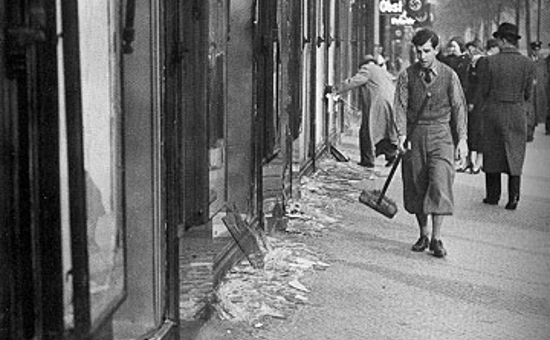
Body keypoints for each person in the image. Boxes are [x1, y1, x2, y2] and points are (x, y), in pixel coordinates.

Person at [393, 29, 468, 258]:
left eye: (427, 51)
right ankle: (423, 234)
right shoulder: (407, 76)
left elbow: (459, 108)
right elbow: (400, 107)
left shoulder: (449, 75)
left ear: (436, 50)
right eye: (418, 52)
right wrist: (401, 135)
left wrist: (462, 139)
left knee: (440, 183)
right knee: (417, 184)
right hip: (415, 135)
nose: (422, 56)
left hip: (441, 135)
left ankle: (436, 238)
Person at [477, 23, 535, 210]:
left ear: (502, 40)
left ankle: (493, 195)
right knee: (514, 154)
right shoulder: (528, 63)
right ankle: (514, 197)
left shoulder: (489, 62)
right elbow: (528, 93)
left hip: (494, 111)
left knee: (493, 153)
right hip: (517, 112)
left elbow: (483, 90)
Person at [330, 55, 398, 168]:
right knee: (384, 131)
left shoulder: (367, 69)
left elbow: (354, 82)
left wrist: (334, 89)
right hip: (390, 103)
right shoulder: (381, 70)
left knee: (367, 131)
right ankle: (391, 155)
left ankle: (368, 161)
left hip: (378, 104)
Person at [440, 36, 471, 172]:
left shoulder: (466, 62)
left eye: (454, 47)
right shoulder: (449, 60)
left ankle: (462, 157)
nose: (452, 49)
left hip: (462, 97)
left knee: (461, 127)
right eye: (450, 47)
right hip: (448, 98)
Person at [462, 40, 486, 174]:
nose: (469, 52)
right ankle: (470, 160)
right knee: (471, 130)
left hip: (478, 103)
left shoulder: (481, 62)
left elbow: (480, 85)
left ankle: (478, 161)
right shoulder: (471, 63)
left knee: (478, 131)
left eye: (471, 50)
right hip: (471, 101)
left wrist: (473, 101)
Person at [527, 41, 548, 141]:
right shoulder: (527, 60)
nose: (536, 51)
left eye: (538, 49)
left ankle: (534, 128)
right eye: (534, 49)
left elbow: (545, 75)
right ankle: (529, 132)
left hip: (539, 91)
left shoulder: (542, 61)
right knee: (530, 110)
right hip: (530, 90)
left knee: (537, 110)